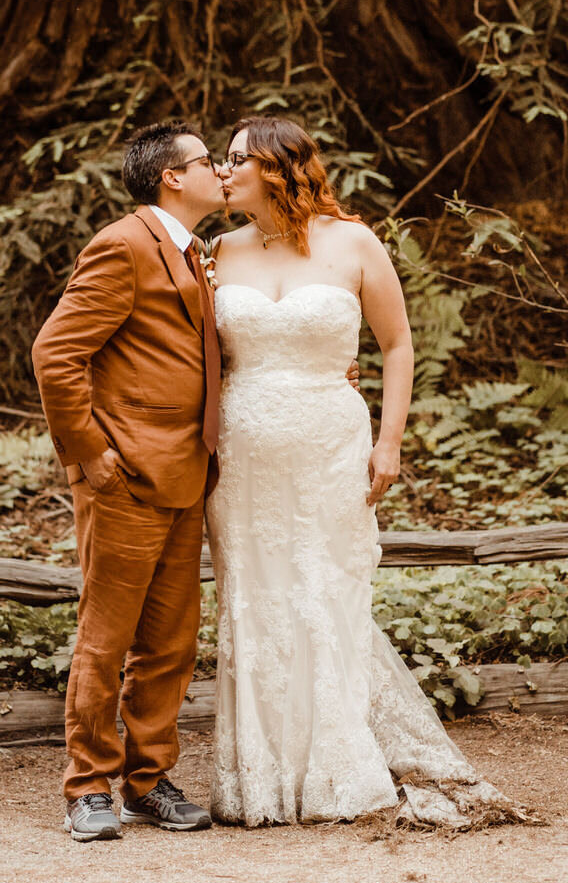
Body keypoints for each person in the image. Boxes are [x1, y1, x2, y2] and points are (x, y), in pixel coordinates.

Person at [207, 113, 526, 828]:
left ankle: (335, 766)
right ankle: (261, 777)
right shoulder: (217, 251)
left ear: (276, 165)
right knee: (253, 599)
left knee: (327, 590)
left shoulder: (353, 241)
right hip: (243, 453)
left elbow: (399, 343)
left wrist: (388, 443)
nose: (222, 171)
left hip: (329, 443)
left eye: (235, 159)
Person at [31, 120, 225, 841]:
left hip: (187, 473)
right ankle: (86, 787)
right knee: (105, 640)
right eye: (208, 161)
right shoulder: (122, 243)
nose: (220, 172)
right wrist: (87, 454)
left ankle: (147, 780)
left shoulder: (195, 253)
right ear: (171, 176)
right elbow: (55, 353)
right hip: (125, 478)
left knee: (171, 644)